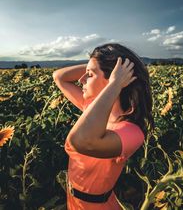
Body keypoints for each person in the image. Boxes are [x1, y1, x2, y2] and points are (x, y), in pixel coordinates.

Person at [53, 43, 154, 210]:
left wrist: (114, 84)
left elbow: (82, 141)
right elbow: (59, 76)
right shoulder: (93, 108)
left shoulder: (132, 132)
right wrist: (95, 65)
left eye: (90, 75)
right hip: (73, 201)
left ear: (115, 79)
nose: (81, 80)